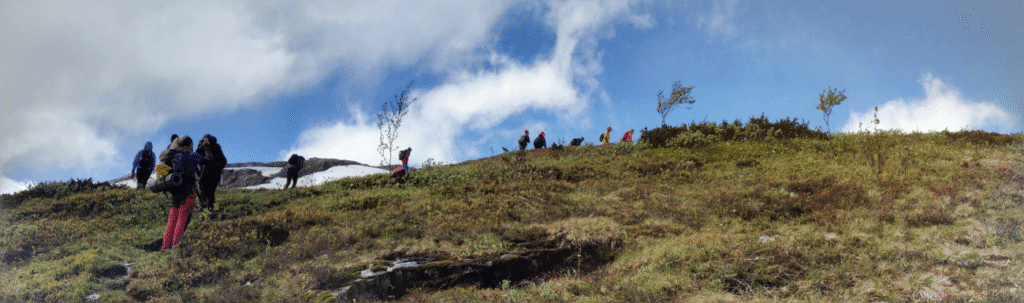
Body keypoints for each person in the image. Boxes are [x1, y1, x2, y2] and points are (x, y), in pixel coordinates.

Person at [160, 135, 211, 250]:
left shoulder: (174, 155)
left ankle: (165, 247)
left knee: (172, 219)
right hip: (189, 190)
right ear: (190, 145)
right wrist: (207, 147)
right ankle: (176, 247)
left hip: (175, 190)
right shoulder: (192, 155)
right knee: (182, 219)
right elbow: (209, 160)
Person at [195, 134, 227, 213]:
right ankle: (211, 208)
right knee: (211, 191)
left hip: (205, 172)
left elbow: (195, 158)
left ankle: (203, 209)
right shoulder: (216, 146)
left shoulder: (201, 147)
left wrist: (198, 172)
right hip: (216, 172)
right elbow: (224, 161)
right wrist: (218, 168)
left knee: (203, 189)